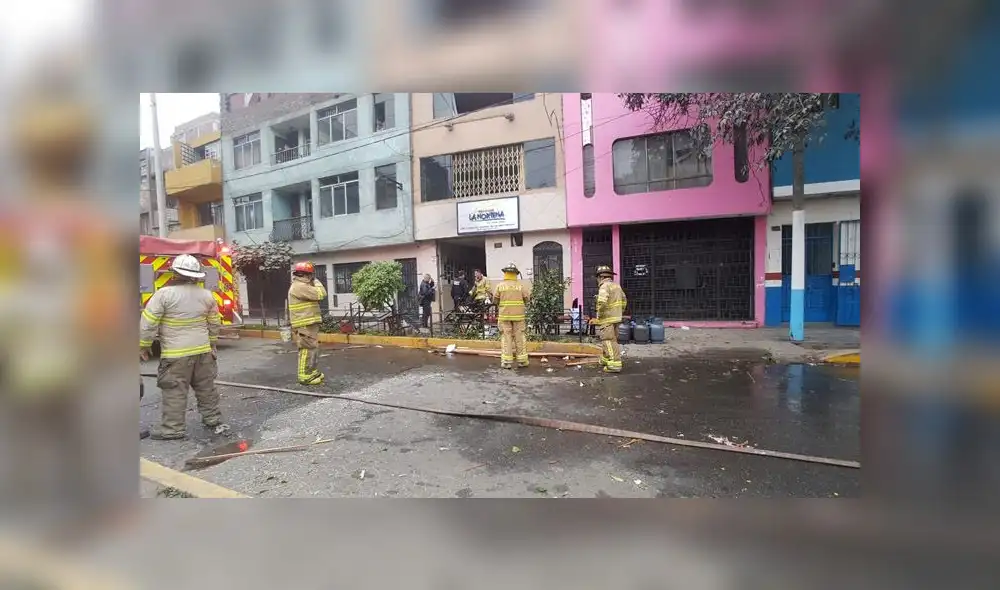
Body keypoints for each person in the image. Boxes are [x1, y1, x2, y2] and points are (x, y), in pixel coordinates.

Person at [139, 254, 229, 439]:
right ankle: (212, 418)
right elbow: (214, 324)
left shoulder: (164, 295)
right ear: (196, 276)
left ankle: (173, 429)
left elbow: (148, 323)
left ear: (174, 273)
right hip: (203, 353)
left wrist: (143, 346)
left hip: (175, 355)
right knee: (206, 388)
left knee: (174, 390)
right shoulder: (207, 295)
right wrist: (212, 344)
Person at [287, 261, 327, 385]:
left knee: (312, 348)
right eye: (311, 275)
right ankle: (304, 375)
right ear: (307, 275)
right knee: (306, 349)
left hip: (308, 322)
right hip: (304, 323)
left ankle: (311, 371)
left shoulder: (301, 286)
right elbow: (321, 294)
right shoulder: (300, 286)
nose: (311, 278)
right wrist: (317, 281)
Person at [590, 265, 627, 374]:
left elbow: (601, 302)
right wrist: (619, 313)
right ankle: (606, 359)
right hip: (616, 318)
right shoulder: (617, 286)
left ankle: (614, 364)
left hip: (607, 319)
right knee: (612, 339)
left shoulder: (604, 286)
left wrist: (599, 317)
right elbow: (624, 301)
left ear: (600, 277)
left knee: (608, 340)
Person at [494, 261, 531, 369]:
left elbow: (495, 301)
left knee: (506, 338)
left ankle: (506, 362)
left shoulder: (500, 286)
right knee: (520, 337)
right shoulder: (521, 286)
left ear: (505, 273)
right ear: (516, 274)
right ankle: (522, 361)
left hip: (504, 316)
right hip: (519, 317)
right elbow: (527, 299)